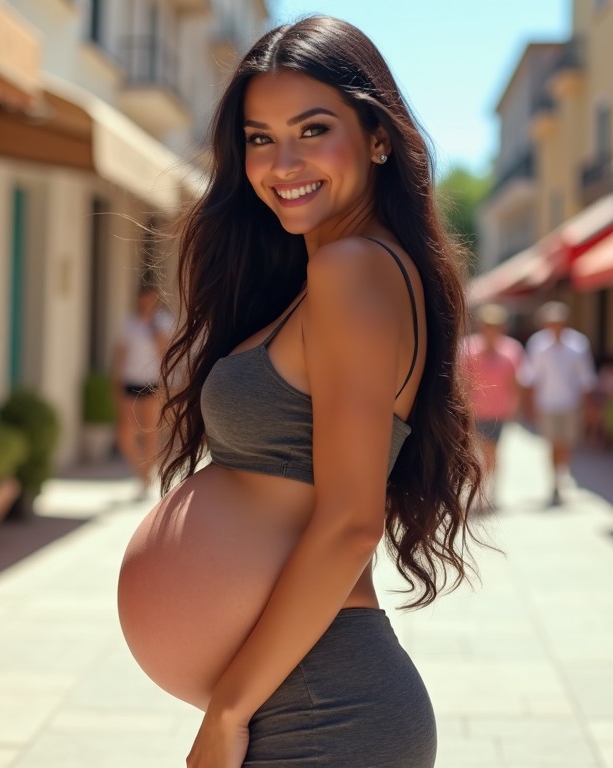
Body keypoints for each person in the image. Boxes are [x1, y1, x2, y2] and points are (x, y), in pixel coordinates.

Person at [115, 16, 482, 767]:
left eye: (313, 130)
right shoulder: (341, 271)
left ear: (378, 137)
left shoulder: (351, 269)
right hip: (311, 697)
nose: (283, 162)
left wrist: (227, 713)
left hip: (323, 710)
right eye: (259, 137)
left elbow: (351, 521)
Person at [520, 301, 597, 507]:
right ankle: (555, 481)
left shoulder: (578, 344)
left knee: (567, 443)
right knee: (552, 443)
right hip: (546, 403)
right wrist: (529, 406)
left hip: (570, 403)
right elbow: (531, 377)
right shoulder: (538, 344)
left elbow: (585, 377)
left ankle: (561, 475)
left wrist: (587, 406)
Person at [459, 303, 524, 506]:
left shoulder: (512, 350)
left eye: (495, 325)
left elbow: (515, 383)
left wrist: (515, 409)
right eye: (487, 325)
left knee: (492, 453)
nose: (491, 330)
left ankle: (489, 491)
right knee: (473, 456)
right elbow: (461, 382)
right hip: (473, 412)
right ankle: (478, 492)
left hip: (498, 413)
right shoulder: (468, 348)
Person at [112, 284, 172, 498]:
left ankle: (146, 477)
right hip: (130, 380)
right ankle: (142, 473)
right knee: (124, 433)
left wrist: (155, 330)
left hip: (151, 382)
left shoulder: (163, 322)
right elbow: (120, 354)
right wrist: (116, 382)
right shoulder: (130, 323)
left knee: (149, 431)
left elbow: (165, 351)